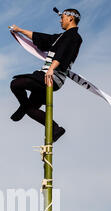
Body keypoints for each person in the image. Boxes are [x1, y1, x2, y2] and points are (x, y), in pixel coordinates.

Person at [10, 8, 82, 143]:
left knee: (16, 84)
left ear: (70, 18)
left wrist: (52, 69)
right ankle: (55, 128)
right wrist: (20, 30)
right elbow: (42, 38)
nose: (60, 20)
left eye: (62, 18)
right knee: (31, 110)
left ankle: (23, 106)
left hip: (50, 77)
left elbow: (64, 53)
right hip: (47, 76)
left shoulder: (74, 37)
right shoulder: (61, 37)